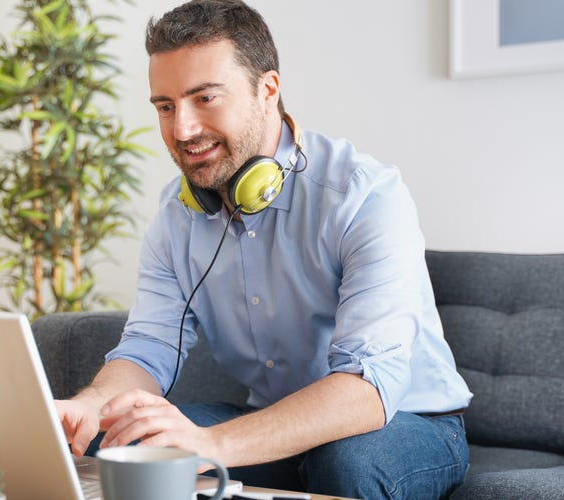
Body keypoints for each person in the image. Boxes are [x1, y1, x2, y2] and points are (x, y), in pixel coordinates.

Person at [54, 0, 473, 497]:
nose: (181, 129)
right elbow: (149, 347)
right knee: (115, 440)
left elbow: (368, 388)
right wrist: (93, 404)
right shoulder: (176, 213)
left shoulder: (364, 195)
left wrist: (209, 444)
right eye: (165, 107)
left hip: (404, 422)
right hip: (270, 421)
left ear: (267, 90)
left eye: (205, 98)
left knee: (349, 463)